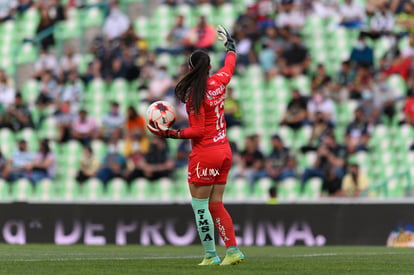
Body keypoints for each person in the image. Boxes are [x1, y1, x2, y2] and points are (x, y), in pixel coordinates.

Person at [147, 25, 244, 266]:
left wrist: (171, 134)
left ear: (190, 69)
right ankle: (232, 251)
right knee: (216, 204)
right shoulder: (219, 82)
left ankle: (211, 255)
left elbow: (198, 131)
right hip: (224, 151)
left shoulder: (194, 94)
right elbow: (230, 65)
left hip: (206, 154)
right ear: (210, 67)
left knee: (200, 206)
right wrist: (230, 47)